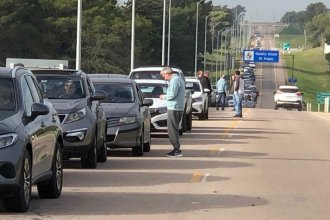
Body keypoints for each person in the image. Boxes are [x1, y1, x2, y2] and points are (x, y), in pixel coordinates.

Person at [159, 67, 185, 157]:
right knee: (173, 128)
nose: (164, 78)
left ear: (167, 74)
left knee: (172, 129)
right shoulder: (178, 79)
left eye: (164, 76)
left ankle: (177, 149)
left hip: (174, 108)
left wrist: (164, 96)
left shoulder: (174, 80)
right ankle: (176, 148)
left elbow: (172, 94)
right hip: (176, 107)